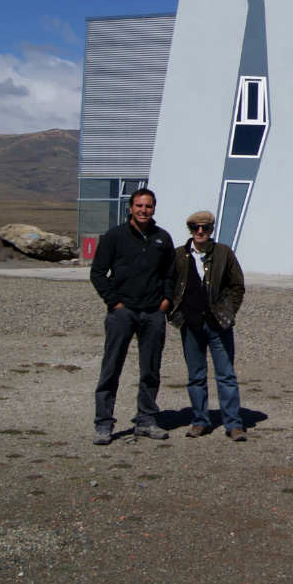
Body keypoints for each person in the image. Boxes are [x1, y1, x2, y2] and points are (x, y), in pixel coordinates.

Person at [89, 188, 175, 445]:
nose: (143, 210)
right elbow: (98, 273)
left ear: (154, 209)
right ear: (130, 208)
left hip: (153, 313)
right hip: (122, 312)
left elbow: (170, 274)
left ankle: (146, 420)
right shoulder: (114, 236)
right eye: (139, 205)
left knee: (151, 369)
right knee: (111, 367)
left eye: (148, 206)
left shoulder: (162, 238)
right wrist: (114, 302)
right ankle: (104, 424)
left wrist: (166, 302)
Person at [167, 210, 248, 441]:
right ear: (190, 229)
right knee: (195, 376)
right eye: (195, 227)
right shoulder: (179, 256)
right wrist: (174, 311)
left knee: (226, 375)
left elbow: (237, 286)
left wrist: (227, 312)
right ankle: (200, 421)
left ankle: (233, 423)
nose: (200, 231)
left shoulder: (224, 253)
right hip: (190, 325)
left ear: (212, 229)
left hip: (218, 325)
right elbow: (169, 285)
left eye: (205, 227)